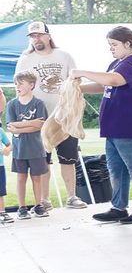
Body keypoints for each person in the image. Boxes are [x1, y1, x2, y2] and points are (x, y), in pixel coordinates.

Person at [73, 27, 132, 224]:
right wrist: (76, 88)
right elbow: (105, 84)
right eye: (109, 45)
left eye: (114, 45)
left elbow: (113, 80)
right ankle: (118, 206)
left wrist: (82, 72)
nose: (111, 49)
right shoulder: (117, 63)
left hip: (131, 125)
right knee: (116, 168)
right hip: (114, 126)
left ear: (128, 44)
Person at [15, 21, 86, 208]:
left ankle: (72, 197)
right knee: (42, 162)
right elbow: (20, 89)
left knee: (68, 159)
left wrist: (73, 109)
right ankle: (45, 200)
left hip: (64, 115)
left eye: (39, 35)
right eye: (32, 36)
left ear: (48, 35)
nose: (36, 39)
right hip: (39, 117)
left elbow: (75, 82)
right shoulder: (25, 59)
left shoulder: (64, 56)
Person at [6, 71, 51, 219]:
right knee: (21, 178)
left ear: (31, 85)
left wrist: (21, 126)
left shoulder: (38, 103)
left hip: (36, 148)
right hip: (19, 149)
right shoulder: (12, 104)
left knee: (36, 178)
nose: (17, 86)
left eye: (21, 83)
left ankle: (38, 206)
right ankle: (22, 208)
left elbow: (40, 126)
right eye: (16, 84)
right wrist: (32, 123)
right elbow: (11, 126)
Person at [0, 120, 11, 224]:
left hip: (0, 165)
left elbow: (9, 145)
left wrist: (7, 149)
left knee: (0, 191)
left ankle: (2, 213)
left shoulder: (0, 131)